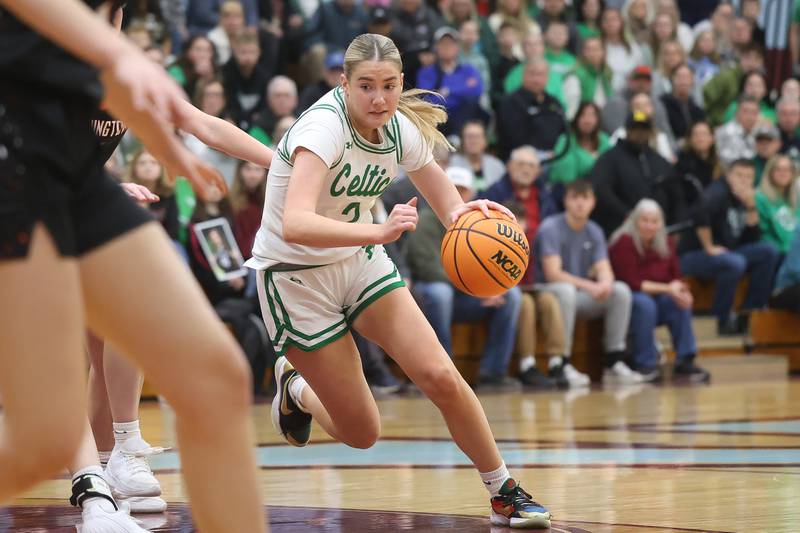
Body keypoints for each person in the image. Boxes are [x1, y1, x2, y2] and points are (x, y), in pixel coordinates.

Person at [246, 33, 551, 529]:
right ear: (344, 84)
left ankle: (503, 491)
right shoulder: (323, 128)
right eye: (366, 86)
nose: (379, 98)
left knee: (440, 375)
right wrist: (379, 231)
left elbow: (445, 200)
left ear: (402, 82)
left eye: (389, 86)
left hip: (360, 261)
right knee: (362, 432)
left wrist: (468, 215)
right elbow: (294, 223)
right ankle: (295, 387)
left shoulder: (398, 127)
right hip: (296, 279)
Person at [0, 1, 267, 533]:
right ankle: (107, 465)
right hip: (19, 185)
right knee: (42, 438)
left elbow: (184, 116)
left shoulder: (112, 49)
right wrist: (116, 56)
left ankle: (122, 449)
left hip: (82, 187)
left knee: (216, 377)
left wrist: (288, 158)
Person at [408, 167, 523, 390]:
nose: (459, 193)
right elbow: (426, 268)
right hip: (431, 292)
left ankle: (493, 372)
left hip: (466, 296)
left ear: (471, 193)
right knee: (440, 294)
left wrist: (490, 288)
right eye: (455, 188)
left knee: (511, 295)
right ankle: (442, 372)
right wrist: (474, 288)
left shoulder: (483, 222)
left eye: (463, 189)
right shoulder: (428, 219)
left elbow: (492, 266)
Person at [535, 180, 642, 386]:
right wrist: (591, 286)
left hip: (578, 296)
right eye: (575, 198)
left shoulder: (594, 230)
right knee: (566, 290)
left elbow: (604, 268)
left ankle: (614, 360)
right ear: (566, 201)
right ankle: (562, 363)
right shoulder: (551, 227)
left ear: (593, 202)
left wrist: (605, 283)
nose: (580, 203)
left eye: (585, 198)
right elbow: (553, 274)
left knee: (620, 291)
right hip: (549, 293)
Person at [609, 200, 710, 383]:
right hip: (628, 299)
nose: (649, 226)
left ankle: (685, 359)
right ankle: (645, 362)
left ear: (660, 224)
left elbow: (676, 276)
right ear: (635, 221)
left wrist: (683, 292)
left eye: (654, 221)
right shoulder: (623, 242)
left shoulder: (667, 242)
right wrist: (668, 289)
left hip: (659, 297)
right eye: (644, 220)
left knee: (678, 301)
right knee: (645, 304)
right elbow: (632, 282)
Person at [678, 159, 781, 335]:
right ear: (728, 176)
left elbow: (750, 239)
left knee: (768, 252)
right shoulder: (718, 191)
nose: (743, 180)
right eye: (739, 175)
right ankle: (721, 319)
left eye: (748, 177)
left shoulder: (744, 198)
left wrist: (751, 207)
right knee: (735, 262)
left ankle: (749, 313)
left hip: (728, 251)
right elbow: (700, 213)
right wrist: (708, 246)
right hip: (693, 255)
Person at [755, 154, 800, 254]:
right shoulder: (760, 198)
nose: (783, 173)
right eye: (778, 169)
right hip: (777, 252)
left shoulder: (795, 198)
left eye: (787, 170)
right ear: (770, 172)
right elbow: (763, 234)